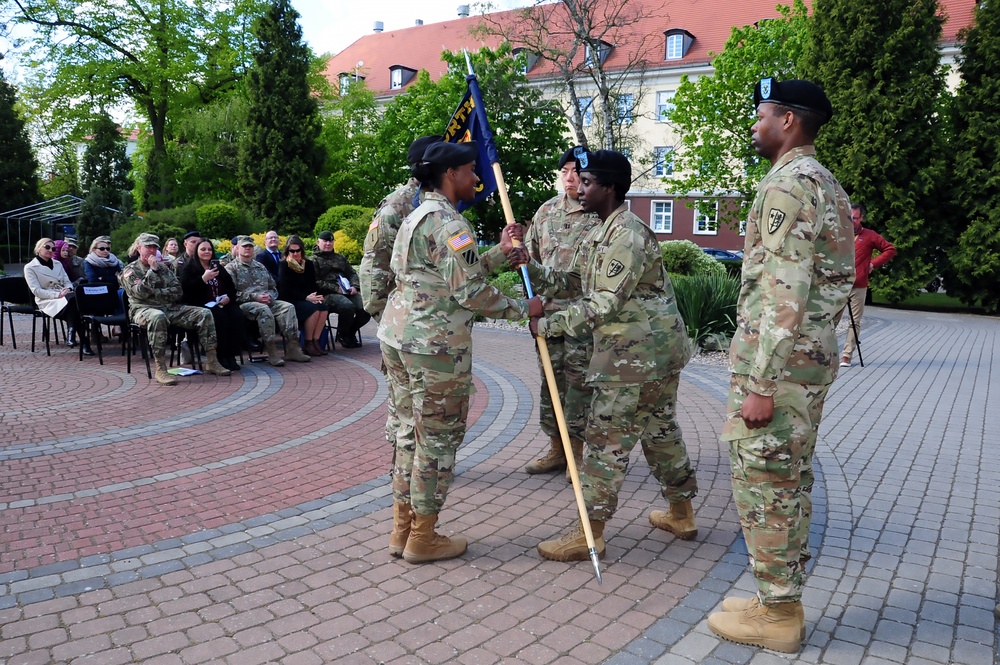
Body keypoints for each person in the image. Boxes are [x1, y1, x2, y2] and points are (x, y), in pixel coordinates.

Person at [705, 78, 855, 653]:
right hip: (805, 361)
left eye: (759, 113)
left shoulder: (788, 186)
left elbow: (783, 290)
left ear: (788, 120)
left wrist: (761, 382)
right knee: (787, 480)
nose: (753, 124)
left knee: (766, 483)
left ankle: (780, 615)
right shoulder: (821, 181)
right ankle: (777, 596)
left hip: (782, 368)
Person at [506, 148, 698, 562]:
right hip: (653, 353)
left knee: (604, 440)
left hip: (636, 357)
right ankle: (681, 514)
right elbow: (574, 281)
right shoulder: (602, 230)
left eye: (588, 182)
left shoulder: (625, 233)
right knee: (660, 431)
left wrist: (549, 325)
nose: (580, 188)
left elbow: (604, 302)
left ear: (609, 187)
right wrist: (532, 269)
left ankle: (588, 534)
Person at [378, 141, 539, 564]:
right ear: (450, 174)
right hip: (434, 347)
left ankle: (402, 531)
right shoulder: (450, 224)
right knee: (437, 440)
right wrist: (524, 309)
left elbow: (446, 274)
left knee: (409, 436)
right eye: (470, 170)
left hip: (400, 337)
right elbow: (469, 292)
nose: (476, 178)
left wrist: (499, 253)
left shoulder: (418, 215)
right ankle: (423, 539)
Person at [515, 146, 600, 480]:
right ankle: (556, 449)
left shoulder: (598, 212)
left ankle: (578, 454)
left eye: (576, 171)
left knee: (580, 387)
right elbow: (528, 263)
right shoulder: (547, 211)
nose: (570, 177)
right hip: (548, 318)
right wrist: (530, 306)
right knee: (550, 385)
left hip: (583, 318)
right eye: (564, 171)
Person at [120, 233, 232, 385]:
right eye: (148, 247)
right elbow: (140, 293)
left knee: (204, 313)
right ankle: (161, 369)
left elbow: (177, 291)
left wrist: (155, 292)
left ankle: (212, 361)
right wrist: (152, 272)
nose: (152, 251)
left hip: (169, 307)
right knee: (157, 317)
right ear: (139, 248)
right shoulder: (130, 270)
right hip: (143, 310)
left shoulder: (164, 268)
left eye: (154, 247)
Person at [360, 134, 442, 319]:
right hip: (404, 310)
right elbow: (375, 259)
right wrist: (382, 312)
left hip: (430, 306)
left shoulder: (437, 200)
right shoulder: (397, 205)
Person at [227, 235, 311, 366]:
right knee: (264, 310)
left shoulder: (260, 266)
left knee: (288, 307)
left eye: (250, 246)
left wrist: (270, 296)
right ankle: (272, 352)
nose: (248, 249)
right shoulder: (231, 268)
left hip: (266, 300)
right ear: (237, 248)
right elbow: (231, 294)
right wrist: (255, 297)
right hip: (244, 304)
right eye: (245, 247)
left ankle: (293, 348)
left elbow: (273, 286)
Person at [840, 203, 896, 367]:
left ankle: (846, 355)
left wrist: (872, 264)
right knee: (831, 319)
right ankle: (826, 355)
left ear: (861, 218)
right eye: (850, 218)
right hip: (839, 284)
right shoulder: (840, 234)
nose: (852, 221)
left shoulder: (870, 235)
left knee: (854, 321)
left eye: (855, 218)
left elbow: (890, 249)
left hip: (859, 285)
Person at [179, 239, 247, 372]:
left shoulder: (218, 267)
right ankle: (219, 356)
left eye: (209, 249)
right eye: (203, 249)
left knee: (236, 315)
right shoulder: (190, 268)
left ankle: (231, 355)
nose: (207, 252)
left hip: (220, 302)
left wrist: (228, 297)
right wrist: (203, 279)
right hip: (201, 304)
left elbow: (231, 288)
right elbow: (186, 290)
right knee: (220, 318)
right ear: (197, 251)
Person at [23, 237, 94, 356]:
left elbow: (67, 281)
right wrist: (57, 295)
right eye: (47, 247)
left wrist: (68, 289)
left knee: (73, 300)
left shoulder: (58, 264)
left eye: (53, 248)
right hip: (47, 300)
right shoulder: (30, 267)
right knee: (74, 304)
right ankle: (82, 341)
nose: (51, 250)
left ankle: (72, 332)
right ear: (38, 248)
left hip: (65, 296)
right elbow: (37, 291)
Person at [313, 230, 370, 349]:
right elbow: (315, 282)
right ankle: (344, 335)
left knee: (367, 308)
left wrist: (354, 286)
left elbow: (352, 273)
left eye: (330, 241)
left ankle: (349, 332)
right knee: (347, 306)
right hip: (327, 295)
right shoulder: (313, 260)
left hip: (347, 291)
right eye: (325, 241)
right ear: (318, 242)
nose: (328, 243)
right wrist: (335, 288)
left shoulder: (340, 258)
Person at [277, 235, 328, 357]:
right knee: (313, 310)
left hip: (307, 297)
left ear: (302, 250)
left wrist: (317, 296)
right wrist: (306, 297)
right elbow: (286, 289)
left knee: (323, 307)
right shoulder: (285, 265)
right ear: (287, 251)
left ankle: (316, 342)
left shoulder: (308, 264)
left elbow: (312, 283)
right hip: (292, 299)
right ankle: (308, 343)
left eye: (297, 250)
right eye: (292, 251)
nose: (295, 253)